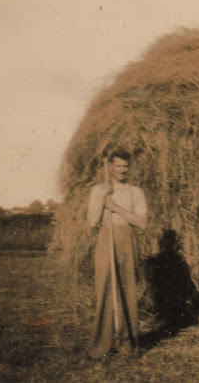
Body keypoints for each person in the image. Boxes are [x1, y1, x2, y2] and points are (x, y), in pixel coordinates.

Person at [86, 147, 148, 359]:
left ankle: (129, 344)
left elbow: (141, 222)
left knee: (128, 289)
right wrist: (103, 198)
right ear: (110, 166)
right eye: (119, 166)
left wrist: (116, 207)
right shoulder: (98, 190)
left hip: (127, 240)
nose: (123, 170)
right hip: (106, 239)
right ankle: (100, 346)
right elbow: (92, 222)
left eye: (126, 166)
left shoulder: (135, 192)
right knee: (104, 287)